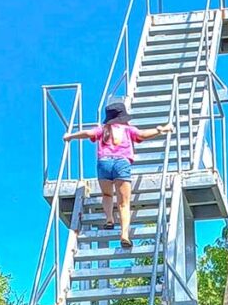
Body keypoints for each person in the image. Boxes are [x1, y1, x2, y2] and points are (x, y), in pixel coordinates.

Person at [63, 102, 173, 248]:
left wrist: (70, 136)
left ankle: (109, 219)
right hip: (122, 163)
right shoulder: (128, 129)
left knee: (107, 195)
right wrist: (160, 129)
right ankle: (124, 235)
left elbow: (88, 133)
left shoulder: (103, 129)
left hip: (104, 163)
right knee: (124, 203)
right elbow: (142, 135)